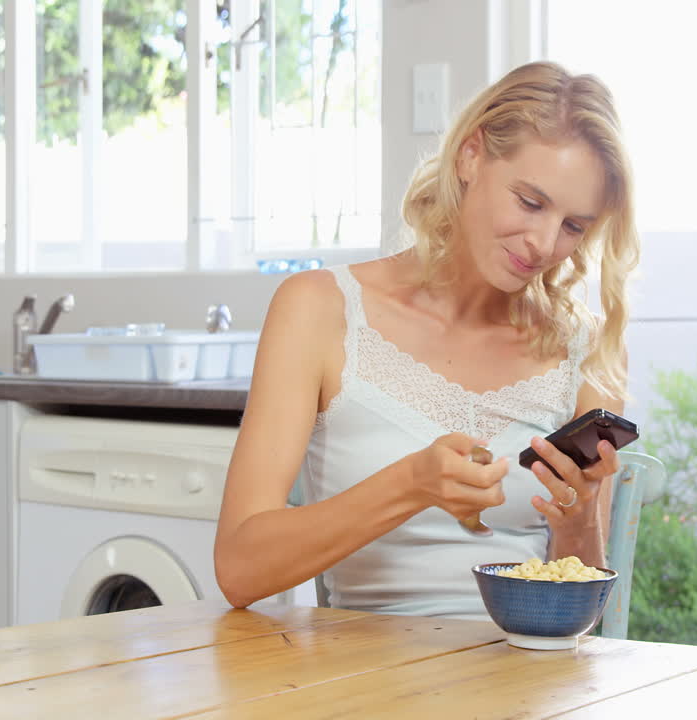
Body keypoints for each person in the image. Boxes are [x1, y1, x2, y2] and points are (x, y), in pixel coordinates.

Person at [214, 61, 640, 620]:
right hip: (365, 686)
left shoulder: (584, 347)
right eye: (530, 202)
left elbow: (579, 622)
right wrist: (412, 484)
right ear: (471, 155)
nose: (542, 243)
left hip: (524, 686)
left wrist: (580, 520)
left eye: (573, 226)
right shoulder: (320, 309)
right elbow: (240, 570)